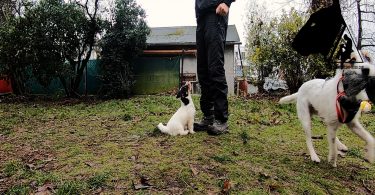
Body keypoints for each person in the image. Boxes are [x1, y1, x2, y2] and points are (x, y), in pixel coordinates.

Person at [194, 0, 235, 135]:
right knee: (203, 70)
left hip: (216, 12)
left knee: (215, 67)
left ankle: (221, 120)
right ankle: (208, 116)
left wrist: (227, 2)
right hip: (201, 17)